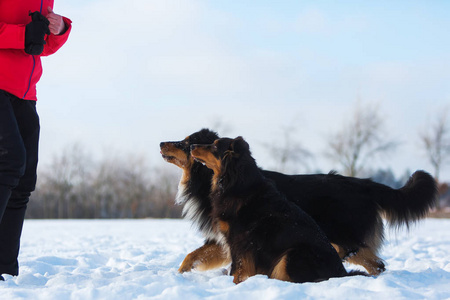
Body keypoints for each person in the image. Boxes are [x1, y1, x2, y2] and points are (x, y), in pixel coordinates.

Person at [0, 1, 72, 279]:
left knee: (24, 180)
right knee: (10, 161)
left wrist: (59, 29)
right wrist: (21, 35)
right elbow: (25, 37)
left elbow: (39, 47)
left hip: (25, 92)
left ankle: (5, 270)